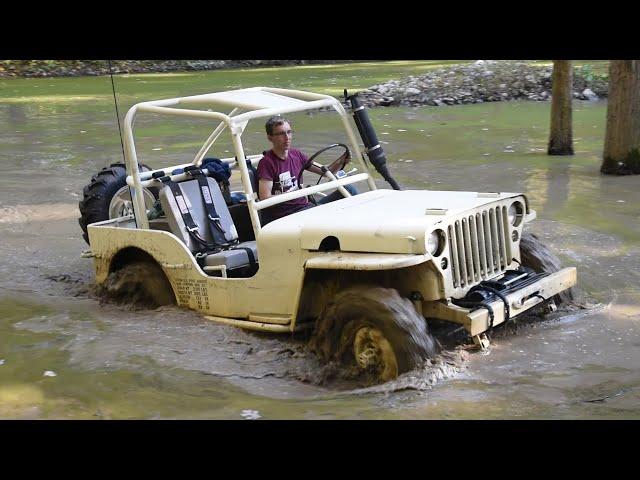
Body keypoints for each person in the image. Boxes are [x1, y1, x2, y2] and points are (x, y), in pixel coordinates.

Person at [257, 115, 357, 224]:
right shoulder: (267, 163)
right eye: (281, 133)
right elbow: (265, 198)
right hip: (288, 215)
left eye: (289, 132)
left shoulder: (297, 155)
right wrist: (291, 195)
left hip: (305, 207)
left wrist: (340, 161)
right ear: (270, 137)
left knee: (349, 189)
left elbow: (326, 172)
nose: (287, 137)